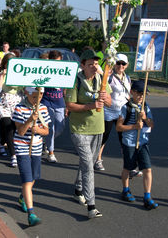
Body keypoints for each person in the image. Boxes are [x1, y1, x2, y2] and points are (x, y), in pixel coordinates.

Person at [65, 49, 111, 219]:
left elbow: (110, 102)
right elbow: (70, 105)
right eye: (90, 64)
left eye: (96, 63)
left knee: (89, 162)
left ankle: (78, 189)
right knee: (88, 165)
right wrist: (92, 105)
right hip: (80, 129)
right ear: (82, 65)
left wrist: (105, 99)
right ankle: (91, 205)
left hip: (98, 128)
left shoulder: (102, 79)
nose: (94, 67)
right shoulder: (75, 81)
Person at [116, 80, 158, 210]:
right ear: (132, 92)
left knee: (147, 169)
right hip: (129, 142)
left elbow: (151, 124)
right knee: (128, 168)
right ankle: (126, 190)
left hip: (143, 142)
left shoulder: (145, 106)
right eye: (139, 93)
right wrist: (134, 126)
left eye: (144, 94)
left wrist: (145, 118)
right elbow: (118, 127)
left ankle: (147, 196)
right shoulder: (126, 107)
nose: (141, 96)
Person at [12, 87, 50, 226]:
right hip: (22, 146)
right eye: (34, 96)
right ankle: (31, 213)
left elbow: (46, 131)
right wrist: (29, 120)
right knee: (27, 180)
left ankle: (23, 197)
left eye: (40, 96)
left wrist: (38, 129)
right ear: (27, 93)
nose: (37, 99)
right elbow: (20, 131)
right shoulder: (19, 108)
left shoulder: (43, 108)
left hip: (37, 147)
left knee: (34, 177)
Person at [95, 53, 131, 171]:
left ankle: (128, 164)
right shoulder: (109, 76)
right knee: (104, 136)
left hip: (123, 112)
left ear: (126, 65)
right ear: (114, 64)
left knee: (124, 138)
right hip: (109, 111)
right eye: (118, 63)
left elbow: (128, 94)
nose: (120, 66)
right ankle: (98, 159)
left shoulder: (127, 78)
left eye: (123, 64)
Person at [0, 53, 23, 167]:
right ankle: (13, 155)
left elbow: (25, 89)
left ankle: (2, 143)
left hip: (17, 104)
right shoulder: (2, 74)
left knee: (12, 129)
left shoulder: (20, 75)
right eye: (9, 63)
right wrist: (2, 76)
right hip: (4, 104)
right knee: (8, 127)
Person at [40, 50, 65, 163]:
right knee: (50, 128)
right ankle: (51, 152)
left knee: (60, 127)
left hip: (59, 102)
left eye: (58, 62)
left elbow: (67, 88)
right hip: (46, 101)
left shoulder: (64, 71)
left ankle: (46, 140)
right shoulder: (45, 71)